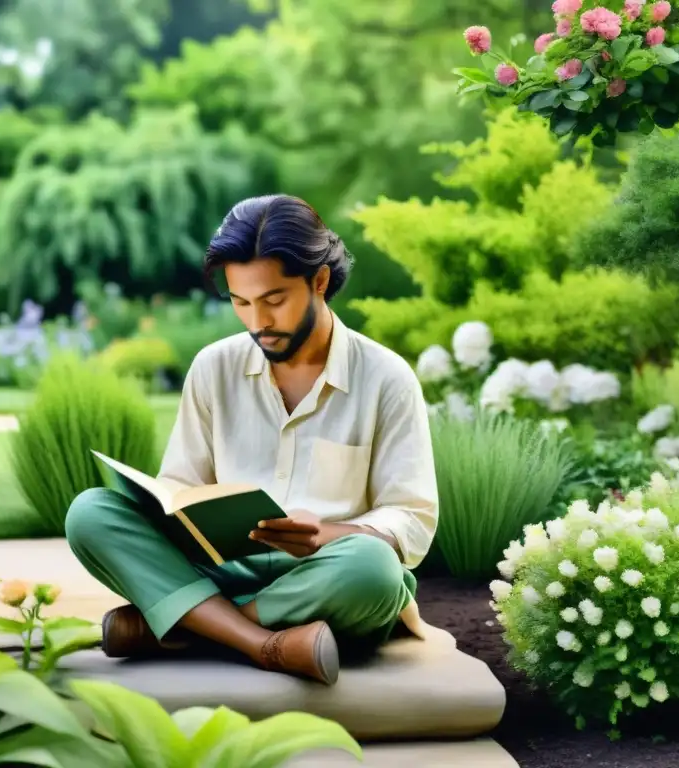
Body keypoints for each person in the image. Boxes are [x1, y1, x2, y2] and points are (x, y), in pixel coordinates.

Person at [64, 194, 440, 686]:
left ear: (320, 281)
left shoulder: (386, 377)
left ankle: (190, 627)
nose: (257, 321)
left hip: (328, 577)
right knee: (91, 513)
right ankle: (266, 644)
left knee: (373, 568)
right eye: (241, 302)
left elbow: (410, 520)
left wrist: (327, 534)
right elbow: (181, 485)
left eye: (274, 300)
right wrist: (176, 507)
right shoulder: (213, 367)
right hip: (225, 570)